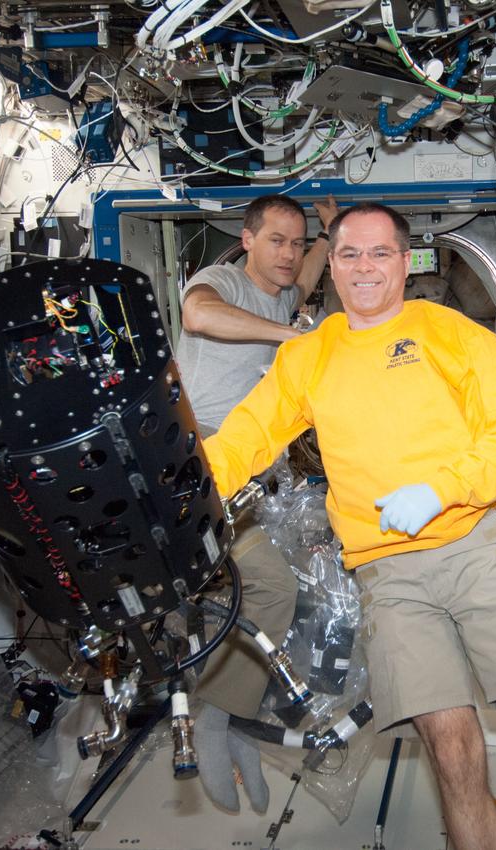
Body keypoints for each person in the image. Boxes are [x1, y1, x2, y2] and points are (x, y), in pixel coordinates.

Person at [204, 202, 496, 850]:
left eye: (380, 253)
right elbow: (243, 439)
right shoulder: (309, 356)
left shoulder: (456, 335)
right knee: (453, 750)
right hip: (387, 571)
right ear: (331, 266)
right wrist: (173, 502)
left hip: (476, 543)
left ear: (407, 263)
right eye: (348, 253)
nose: (363, 267)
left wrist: (443, 488)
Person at [178, 193, 337, 815]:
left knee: (275, 592)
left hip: (256, 474)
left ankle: (237, 714)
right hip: (203, 464)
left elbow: (308, 277)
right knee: (267, 588)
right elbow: (198, 317)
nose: (288, 254)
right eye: (276, 241)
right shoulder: (222, 282)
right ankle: (217, 719)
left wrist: (326, 234)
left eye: (295, 244)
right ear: (246, 240)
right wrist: (292, 339)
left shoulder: (283, 289)